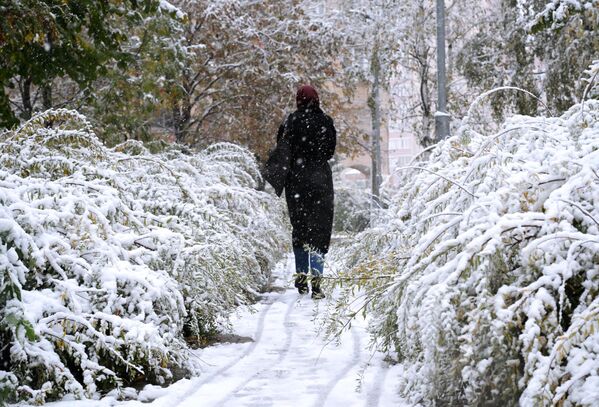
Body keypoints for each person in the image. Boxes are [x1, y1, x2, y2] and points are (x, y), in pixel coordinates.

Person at [263, 85, 336, 299]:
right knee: (320, 230)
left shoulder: (290, 122)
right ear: (317, 100)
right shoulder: (326, 122)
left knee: (301, 229)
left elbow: (281, 148)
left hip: (296, 181)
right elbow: (330, 151)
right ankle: (317, 282)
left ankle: (302, 278)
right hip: (321, 181)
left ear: (299, 100)